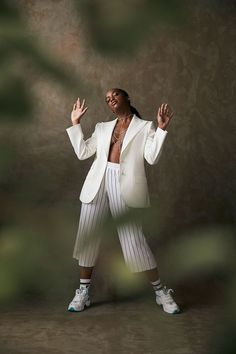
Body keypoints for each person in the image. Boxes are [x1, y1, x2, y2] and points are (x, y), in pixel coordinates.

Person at [66, 88, 180, 314]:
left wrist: (161, 130)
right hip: (97, 182)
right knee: (88, 236)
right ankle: (83, 293)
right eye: (107, 99)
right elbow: (83, 152)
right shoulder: (102, 127)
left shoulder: (145, 126)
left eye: (115, 95)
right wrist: (75, 123)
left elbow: (152, 157)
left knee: (133, 239)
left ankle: (161, 292)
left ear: (127, 98)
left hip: (125, 184)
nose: (111, 99)